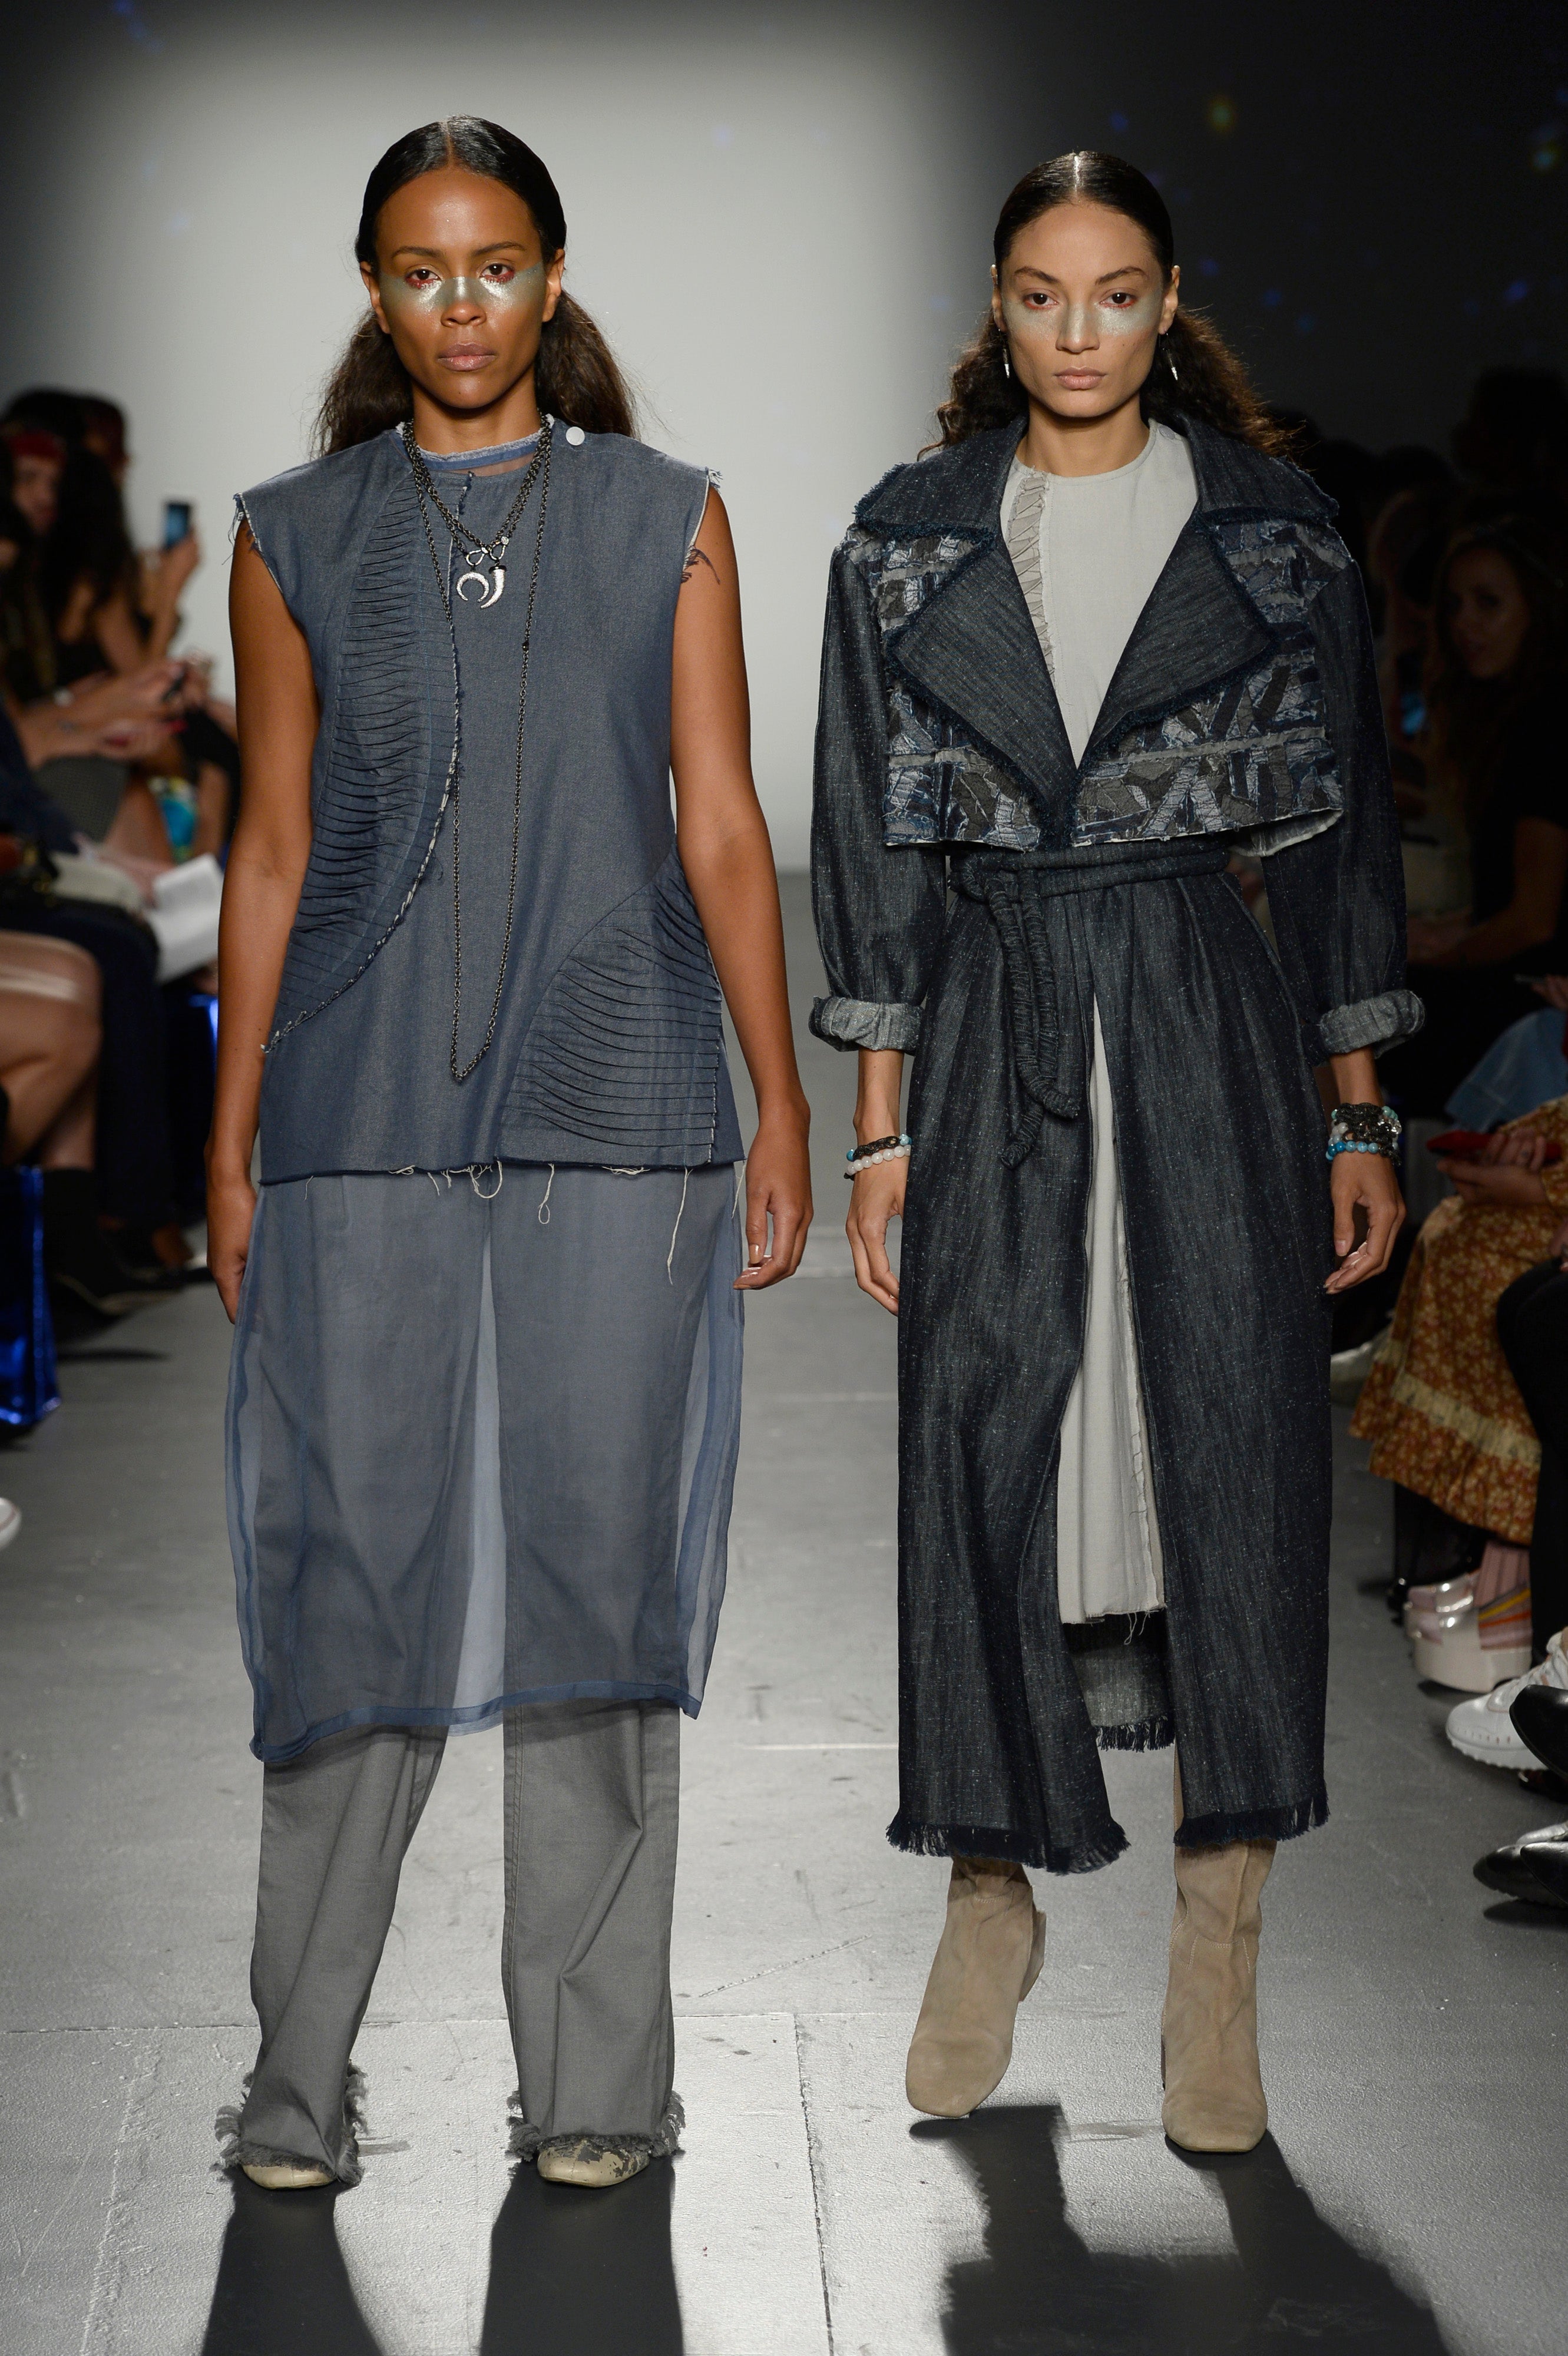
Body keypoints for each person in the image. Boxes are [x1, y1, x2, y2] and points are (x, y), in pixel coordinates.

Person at [207, 117, 811, 2196]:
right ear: (377, 291)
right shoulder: (290, 536)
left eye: (492, 264)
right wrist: (230, 1143)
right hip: (357, 1114)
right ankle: (296, 2087)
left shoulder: (670, 516)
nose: (458, 302)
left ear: (552, 277)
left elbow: (717, 820)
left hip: (620, 1108)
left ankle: (596, 2090)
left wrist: (779, 1098)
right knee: (355, 1589)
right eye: (417, 266)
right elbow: (270, 851)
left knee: (591, 1581)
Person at [810, 151, 1415, 2156]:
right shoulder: (904, 542)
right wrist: (876, 1137)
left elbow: (1331, 845)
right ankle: (986, 1894)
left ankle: (1216, 1945)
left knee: (1226, 1458)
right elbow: (876, 844)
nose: (1079, 332)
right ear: (996, 307)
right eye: (1042, 295)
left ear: (1169, 302)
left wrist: (1356, 1107)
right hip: (995, 1014)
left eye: (1117, 292)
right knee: (985, 1454)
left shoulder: (1273, 536)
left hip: (1200, 1015)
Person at [1381, 515, 1568, 1114]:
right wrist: (1448, 931)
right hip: (1520, 977)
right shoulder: (1518, 720)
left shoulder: (1547, 729)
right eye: (1455, 605)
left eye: (1488, 603)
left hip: (1536, 996)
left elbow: (1533, 922)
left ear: (1538, 609)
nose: (1464, 623)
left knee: (1359, 1017)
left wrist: (1443, 953)